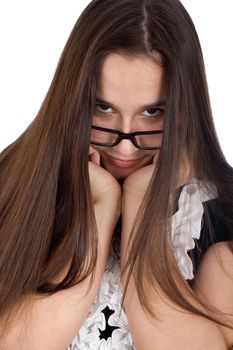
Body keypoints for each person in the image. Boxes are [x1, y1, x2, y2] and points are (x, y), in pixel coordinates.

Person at [0, 0, 233, 349]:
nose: (125, 148)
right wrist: (100, 205)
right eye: (103, 107)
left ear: (186, 109)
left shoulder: (221, 218)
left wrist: (141, 203)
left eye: (153, 112)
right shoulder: (11, 187)